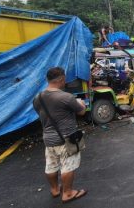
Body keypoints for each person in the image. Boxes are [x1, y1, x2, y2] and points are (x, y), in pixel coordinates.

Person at [33, 67, 87, 203]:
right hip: (66, 139)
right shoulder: (66, 97)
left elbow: (40, 113)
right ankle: (68, 193)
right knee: (68, 166)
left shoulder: (38, 98)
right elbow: (81, 112)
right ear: (62, 79)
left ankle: (55, 189)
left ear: (47, 80)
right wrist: (80, 103)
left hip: (48, 139)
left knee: (51, 165)